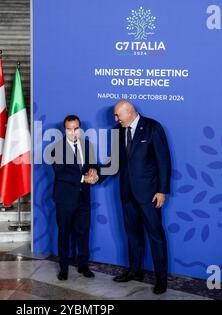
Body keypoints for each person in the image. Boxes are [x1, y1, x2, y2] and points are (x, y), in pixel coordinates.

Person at [108, 100, 171, 294]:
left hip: (149, 195)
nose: (115, 119)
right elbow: (115, 163)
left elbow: (164, 161)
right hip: (127, 193)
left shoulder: (153, 127)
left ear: (130, 112)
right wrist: (96, 175)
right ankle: (135, 271)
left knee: (156, 236)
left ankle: (161, 279)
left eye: (118, 115)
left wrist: (162, 190)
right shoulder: (117, 131)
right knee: (133, 234)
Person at [51, 115, 99, 281]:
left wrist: (93, 171)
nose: (73, 133)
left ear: (80, 128)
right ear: (65, 130)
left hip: (84, 197)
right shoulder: (56, 148)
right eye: (69, 129)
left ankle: (83, 265)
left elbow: (92, 164)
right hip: (65, 199)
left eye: (76, 128)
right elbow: (61, 173)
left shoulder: (88, 146)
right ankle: (63, 267)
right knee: (64, 233)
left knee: (83, 232)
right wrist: (83, 178)